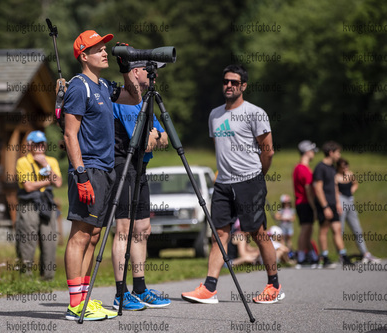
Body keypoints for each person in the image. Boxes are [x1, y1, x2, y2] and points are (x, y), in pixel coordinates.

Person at [181, 64, 284, 305]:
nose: (229, 85)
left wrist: (258, 176)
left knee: (257, 232)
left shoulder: (255, 113)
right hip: (223, 184)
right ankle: (209, 288)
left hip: (250, 181)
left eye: (234, 82)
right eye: (226, 81)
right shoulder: (215, 114)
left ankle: (274, 285)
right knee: (219, 233)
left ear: (243, 86)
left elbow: (268, 151)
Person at [61, 30, 141, 321]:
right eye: (98, 49)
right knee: (81, 235)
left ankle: (84, 299)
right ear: (84, 56)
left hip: (106, 169)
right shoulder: (79, 87)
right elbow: (70, 135)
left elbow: (134, 97)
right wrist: (81, 175)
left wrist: (126, 68)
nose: (105, 52)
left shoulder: (104, 86)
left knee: (94, 235)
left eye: (105, 48)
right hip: (89, 169)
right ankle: (74, 304)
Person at [111, 61, 170, 310]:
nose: (154, 75)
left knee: (143, 228)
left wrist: (154, 136)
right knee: (124, 227)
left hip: (140, 168)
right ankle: (120, 292)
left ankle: (140, 287)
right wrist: (153, 136)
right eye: (149, 70)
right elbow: (144, 142)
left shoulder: (146, 102)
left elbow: (164, 138)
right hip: (123, 166)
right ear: (135, 72)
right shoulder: (123, 100)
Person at [15, 130, 62, 280]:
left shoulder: (51, 161)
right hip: (29, 204)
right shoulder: (23, 162)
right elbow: (28, 187)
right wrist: (50, 180)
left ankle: (48, 277)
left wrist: (45, 165)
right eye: (36, 144)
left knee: (49, 240)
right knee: (27, 240)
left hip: (47, 203)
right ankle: (25, 276)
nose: (40, 147)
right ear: (29, 146)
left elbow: (59, 183)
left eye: (42, 144)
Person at [313, 141, 352, 268]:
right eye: (337, 152)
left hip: (334, 204)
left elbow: (334, 186)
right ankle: (324, 257)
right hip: (324, 204)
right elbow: (318, 188)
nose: (339, 155)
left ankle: (343, 256)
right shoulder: (320, 167)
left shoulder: (332, 168)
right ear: (331, 152)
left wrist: (338, 203)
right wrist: (325, 207)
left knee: (337, 229)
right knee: (324, 230)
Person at [335, 158, 379, 263]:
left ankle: (365, 253)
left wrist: (352, 190)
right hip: (341, 202)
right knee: (340, 230)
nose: (345, 167)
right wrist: (338, 203)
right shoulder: (336, 177)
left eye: (346, 165)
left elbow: (355, 183)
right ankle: (341, 254)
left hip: (350, 201)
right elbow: (335, 191)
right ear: (338, 167)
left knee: (357, 229)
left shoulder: (350, 174)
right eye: (343, 166)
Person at [293, 140, 319, 268]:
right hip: (305, 203)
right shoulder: (304, 169)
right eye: (312, 151)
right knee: (305, 230)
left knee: (308, 230)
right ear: (307, 152)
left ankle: (312, 256)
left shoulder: (298, 167)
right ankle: (301, 257)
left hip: (301, 203)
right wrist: (314, 207)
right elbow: (308, 191)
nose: (314, 154)